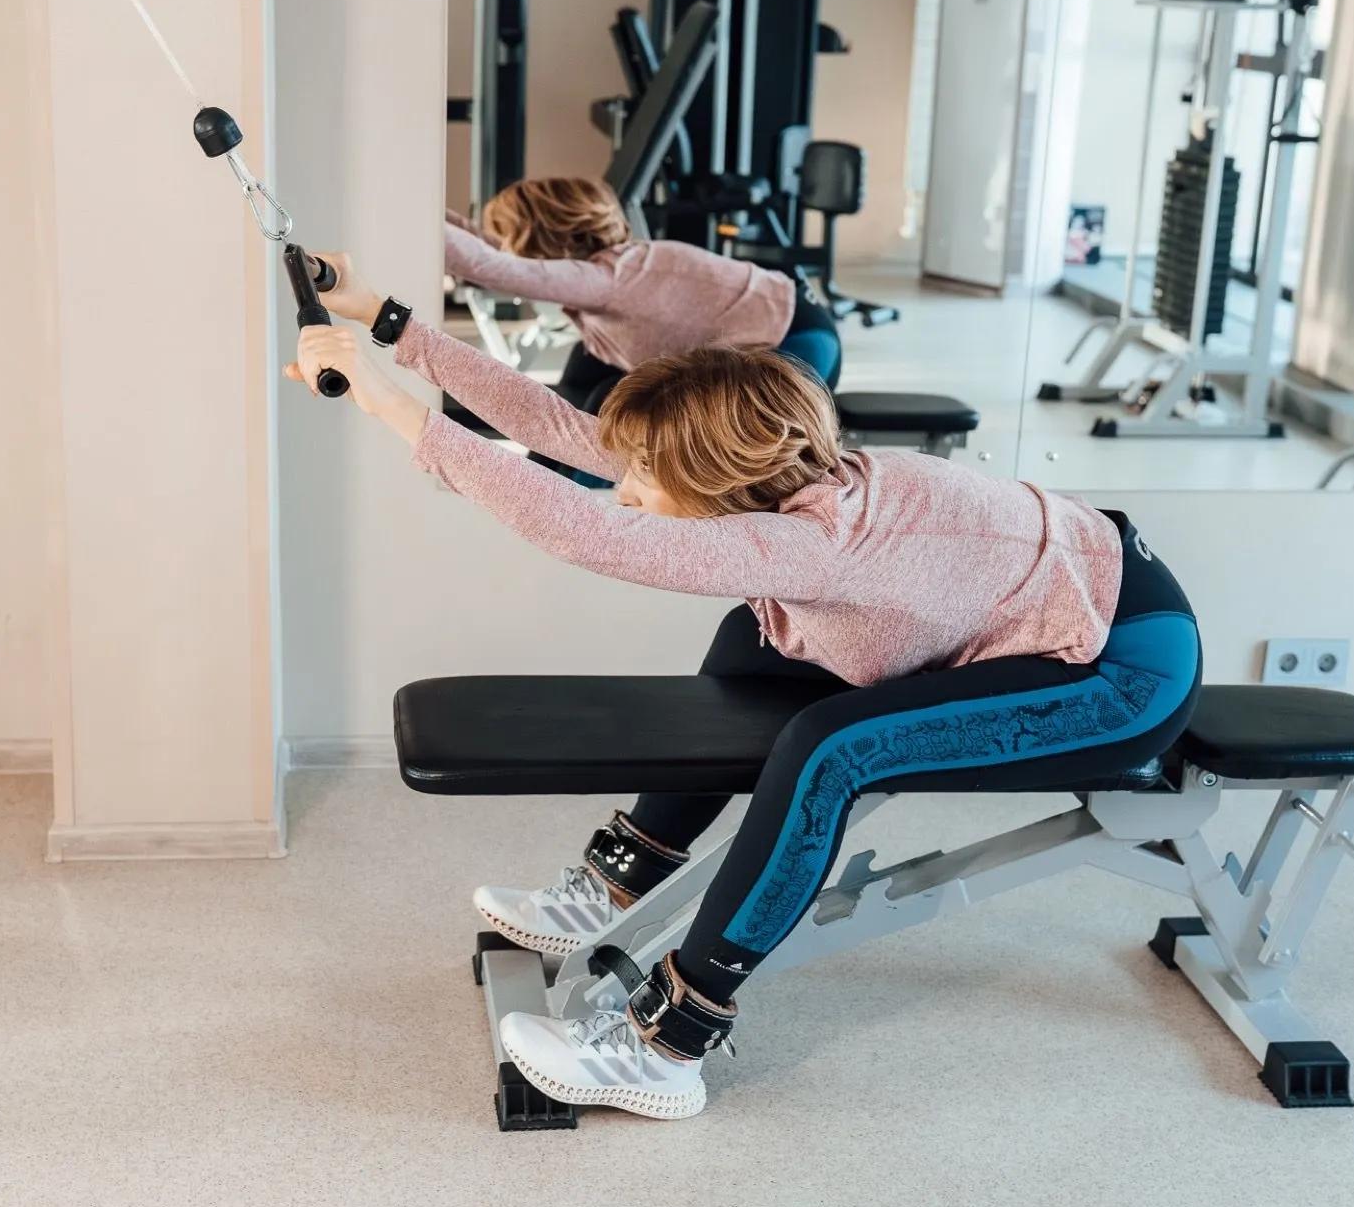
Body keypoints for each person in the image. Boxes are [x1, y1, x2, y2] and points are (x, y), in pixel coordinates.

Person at [293, 254, 1202, 1122]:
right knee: (754, 632)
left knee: (834, 750)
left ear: (713, 477)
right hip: (1060, 591)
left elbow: (585, 531)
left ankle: (668, 1046)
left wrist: (384, 400)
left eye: (646, 475)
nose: (626, 491)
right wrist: (389, 322)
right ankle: (613, 887)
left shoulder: (817, 541)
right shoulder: (779, 480)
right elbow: (567, 431)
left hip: (1117, 669)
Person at [447, 177, 841, 414]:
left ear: (541, 236)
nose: (502, 242)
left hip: (796, 347)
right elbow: (497, 253)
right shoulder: (617, 264)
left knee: (629, 410)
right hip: (802, 323)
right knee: (585, 382)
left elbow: (493, 266)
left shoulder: (604, 279)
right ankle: (548, 481)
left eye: (507, 234)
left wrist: (420, 219)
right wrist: (430, 213)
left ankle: (571, 490)